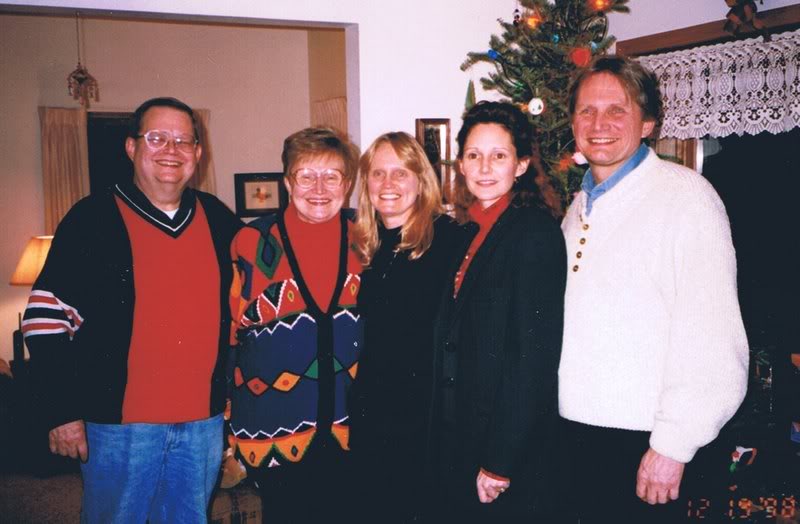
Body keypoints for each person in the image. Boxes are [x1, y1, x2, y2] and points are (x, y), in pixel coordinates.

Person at [22, 96, 242, 522]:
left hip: (202, 425)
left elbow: (250, 299)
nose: (171, 150)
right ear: (131, 147)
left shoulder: (218, 219)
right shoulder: (92, 219)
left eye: (183, 140)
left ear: (198, 152)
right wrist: (62, 411)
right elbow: (45, 319)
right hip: (119, 430)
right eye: (157, 138)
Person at [558, 55, 749, 522]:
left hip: (645, 444)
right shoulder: (578, 207)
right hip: (572, 435)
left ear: (647, 123)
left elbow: (713, 339)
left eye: (616, 110)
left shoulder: (687, 198)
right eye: (587, 111)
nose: (599, 124)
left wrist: (673, 445)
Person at [431, 101, 567, 521]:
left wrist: (499, 460)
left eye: (499, 155)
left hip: (502, 446)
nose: (485, 167)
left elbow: (533, 358)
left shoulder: (534, 232)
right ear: (460, 164)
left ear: (521, 165)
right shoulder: (464, 228)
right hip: (463, 434)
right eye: (474, 155)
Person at [228, 127, 362, 523]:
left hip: (351, 428)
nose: (319, 188)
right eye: (306, 175)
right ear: (287, 182)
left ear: (348, 184)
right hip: (272, 426)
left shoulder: (366, 239)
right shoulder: (251, 242)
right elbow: (228, 332)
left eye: (332, 176)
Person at [348, 132, 467, 522]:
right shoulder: (363, 244)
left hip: (425, 422)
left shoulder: (450, 241)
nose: (388, 183)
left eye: (400, 173)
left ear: (421, 180)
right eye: (378, 173)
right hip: (372, 414)